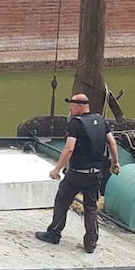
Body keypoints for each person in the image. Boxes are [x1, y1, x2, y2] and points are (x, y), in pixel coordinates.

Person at [35, 94, 120, 254]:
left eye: (72, 105)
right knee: (91, 207)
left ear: (80, 106)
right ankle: (90, 243)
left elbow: (69, 148)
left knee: (62, 201)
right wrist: (115, 163)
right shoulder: (101, 120)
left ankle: (53, 234)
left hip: (77, 174)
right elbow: (112, 142)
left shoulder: (76, 123)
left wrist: (56, 170)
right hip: (96, 174)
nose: (70, 108)